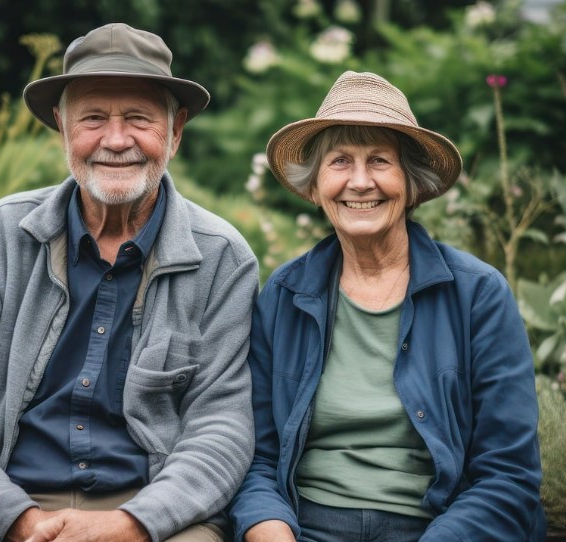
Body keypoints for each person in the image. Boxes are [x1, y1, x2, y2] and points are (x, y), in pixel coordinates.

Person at [0, 23, 259, 542]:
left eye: (139, 118)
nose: (116, 140)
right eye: (92, 119)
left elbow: (221, 431)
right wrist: (21, 522)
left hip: (151, 509)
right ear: (63, 131)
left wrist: (133, 524)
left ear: (175, 131)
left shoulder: (222, 257)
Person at [228, 71, 545, 542]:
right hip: (306, 527)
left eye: (379, 160)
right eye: (339, 162)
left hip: (437, 530)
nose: (360, 182)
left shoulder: (478, 295)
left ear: (410, 183)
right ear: (315, 187)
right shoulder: (284, 295)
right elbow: (257, 456)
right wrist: (268, 529)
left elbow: (508, 475)